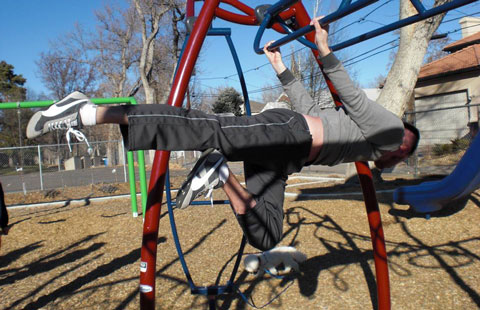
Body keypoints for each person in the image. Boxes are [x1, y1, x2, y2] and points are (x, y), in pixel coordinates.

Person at [26, 18, 419, 251]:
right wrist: (323, 51)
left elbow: (314, 108)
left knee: (266, 234)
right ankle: (87, 110)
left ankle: (220, 173)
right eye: (405, 147)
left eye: (403, 154)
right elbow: (349, 95)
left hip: (285, 157)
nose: (401, 152)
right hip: (287, 130)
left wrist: (282, 69)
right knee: (207, 128)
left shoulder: (363, 145)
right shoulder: (388, 130)